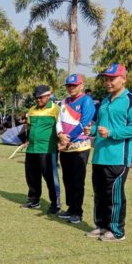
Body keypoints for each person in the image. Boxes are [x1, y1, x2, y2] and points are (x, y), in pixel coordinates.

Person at [83, 63, 132, 242]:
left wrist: (112, 133)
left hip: (117, 157)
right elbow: (99, 124)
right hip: (100, 156)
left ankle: (117, 231)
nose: (108, 82)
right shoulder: (105, 100)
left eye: (112, 79)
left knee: (113, 195)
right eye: (106, 79)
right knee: (99, 193)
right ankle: (101, 226)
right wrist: (91, 130)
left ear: (124, 79)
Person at [56, 74, 95, 224]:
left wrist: (68, 138)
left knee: (77, 180)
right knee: (67, 179)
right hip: (65, 146)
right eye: (69, 86)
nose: (71, 88)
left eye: (74, 85)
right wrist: (60, 134)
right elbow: (59, 120)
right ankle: (70, 208)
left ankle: (77, 212)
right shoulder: (64, 101)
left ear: (81, 86)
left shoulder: (87, 101)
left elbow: (84, 123)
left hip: (80, 146)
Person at [21, 85, 61, 214]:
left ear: (49, 96)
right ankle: (33, 200)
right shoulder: (32, 110)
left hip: (48, 149)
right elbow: (28, 126)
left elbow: (61, 128)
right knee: (32, 176)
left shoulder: (56, 110)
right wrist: (26, 139)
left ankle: (55, 203)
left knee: (50, 177)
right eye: (36, 98)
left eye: (40, 97)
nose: (38, 100)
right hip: (32, 149)